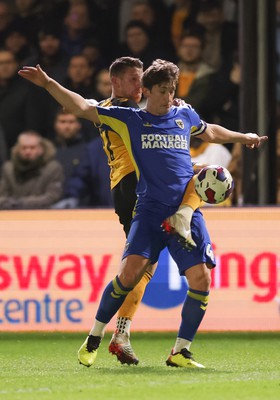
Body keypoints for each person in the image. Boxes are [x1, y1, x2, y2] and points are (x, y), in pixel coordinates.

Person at [18, 60, 267, 368]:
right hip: (142, 202)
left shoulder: (184, 114)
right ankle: (96, 336)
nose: (168, 94)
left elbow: (209, 131)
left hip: (179, 208)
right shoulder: (128, 118)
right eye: (162, 89)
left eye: (172, 89)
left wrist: (244, 137)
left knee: (201, 278)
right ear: (146, 91)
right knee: (131, 274)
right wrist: (47, 83)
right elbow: (82, 107)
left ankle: (180, 351)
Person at [0, 130, 64, 209]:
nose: (28, 151)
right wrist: (13, 203)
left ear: (41, 149)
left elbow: (52, 196)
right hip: (12, 214)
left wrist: (20, 203)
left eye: (32, 147)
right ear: (17, 149)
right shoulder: (8, 168)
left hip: (43, 213)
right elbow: (2, 195)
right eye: (24, 148)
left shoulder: (53, 168)